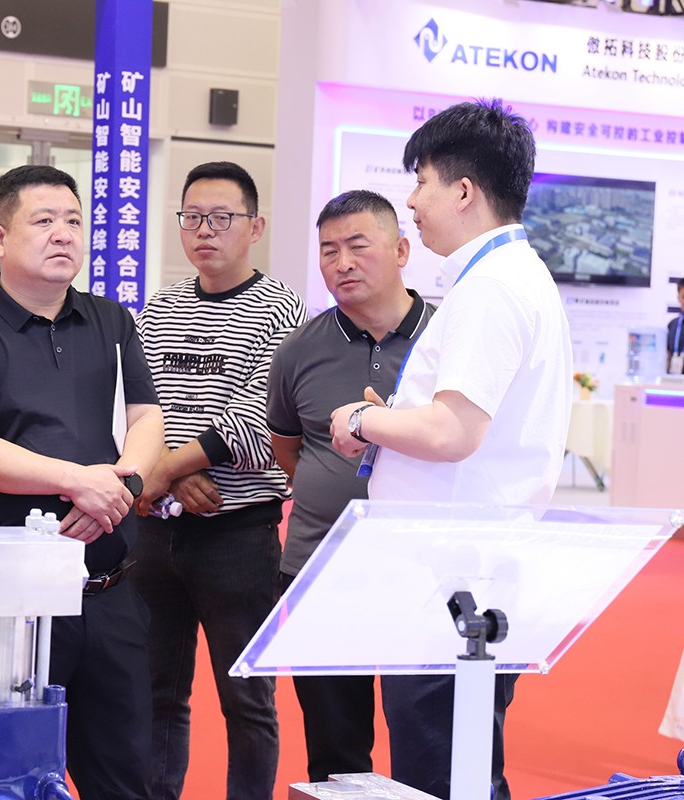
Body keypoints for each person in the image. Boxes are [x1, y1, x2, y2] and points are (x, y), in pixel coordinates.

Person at [329, 99, 573, 800]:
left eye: (422, 182)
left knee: (441, 773)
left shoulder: (492, 287)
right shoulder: (511, 275)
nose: (411, 201)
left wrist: (363, 420)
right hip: (467, 572)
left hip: (453, 581)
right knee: (458, 765)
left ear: (463, 191)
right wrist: (394, 421)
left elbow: (452, 433)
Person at [0, 164, 164, 800]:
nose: (64, 234)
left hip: (110, 592)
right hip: (14, 600)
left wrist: (122, 488)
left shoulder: (113, 322)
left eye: (74, 221)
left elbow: (147, 418)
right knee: (6, 777)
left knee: (125, 779)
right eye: (44, 220)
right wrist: (79, 482)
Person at [132, 161, 307, 800]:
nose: (204, 230)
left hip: (239, 536)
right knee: (156, 692)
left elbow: (261, 422)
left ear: (254, 227)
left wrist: (163, 469)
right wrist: (170, 480)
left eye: (222, 217)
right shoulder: (158, 308)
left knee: (247, 699)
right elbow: (137, 407)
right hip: (155, 532)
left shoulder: (282, 309)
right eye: (193, 217)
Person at [266, 189, 433, 783]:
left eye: (358, 246)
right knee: (336, 755)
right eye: (328, 250)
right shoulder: (299, 349)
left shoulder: (447, 338)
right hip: (320, 567)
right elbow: (289, 447)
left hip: (425, 572)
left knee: (429, 743)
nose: (342, 263)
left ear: (402, 250)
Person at [667, 280, 684, 375]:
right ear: (678, 298)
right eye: (683, 297)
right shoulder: (673, 324)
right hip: (673, 380)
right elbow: (667, 355)